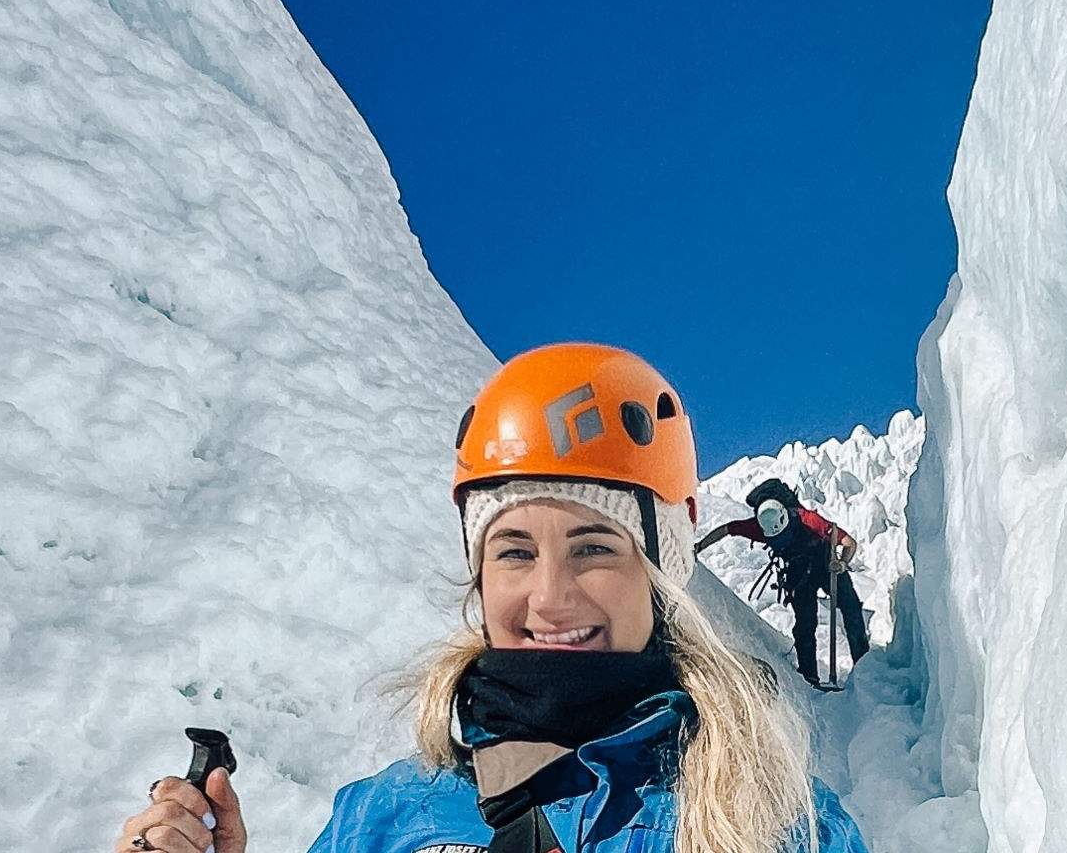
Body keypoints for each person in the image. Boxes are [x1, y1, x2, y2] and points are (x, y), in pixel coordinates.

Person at [117, 343, 869, 853]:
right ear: (480, 577)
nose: (550, 596)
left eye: (594, 548)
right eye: (514, 552)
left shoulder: (781, 824)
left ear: (660, 570)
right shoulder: (386, 817)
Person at [692, 479, 867, 691]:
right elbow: (727, 529)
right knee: (805, 624)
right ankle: (809, 679)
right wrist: (699, 546)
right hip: (798, 572)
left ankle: (863, 665)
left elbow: (849, 543)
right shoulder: (758, 526)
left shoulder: (808, 520)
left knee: (850, 607)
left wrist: (842, 563)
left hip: (825, 563)